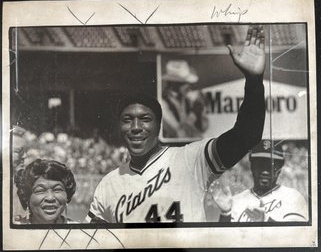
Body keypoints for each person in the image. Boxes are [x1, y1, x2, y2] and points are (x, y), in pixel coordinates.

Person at [86, 25, 266, 223]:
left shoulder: (191, 159)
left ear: (158, 125)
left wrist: (254, 81)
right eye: (127, 120)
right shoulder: (108, 184)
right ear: (119, 127)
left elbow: (247, 135)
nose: (136, 127)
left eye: (145, 119)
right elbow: (93, 242)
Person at [212, 140, 308, 222]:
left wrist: (265, 221)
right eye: (260, 164)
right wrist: (225, 213)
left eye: (271, 165)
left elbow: (297, 236)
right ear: (252, 167)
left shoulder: (293, 197)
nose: (265, 171)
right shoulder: (236, 201)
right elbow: (226, 238)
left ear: (280, 168)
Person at [14, 159, 77, 224]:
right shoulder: (14, 230)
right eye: (40, 190)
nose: (50, 198)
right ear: (27, 197)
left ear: (67, 195)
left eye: (57, 190)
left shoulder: (78, 230)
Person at [161, 60, 208, 138]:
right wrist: (193, 114)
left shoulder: (187, 100)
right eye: (184, 82)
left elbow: (203, 128)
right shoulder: (162, 103)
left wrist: (201, 112)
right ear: (173, 83)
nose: (189, 86)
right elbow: (179, 134)